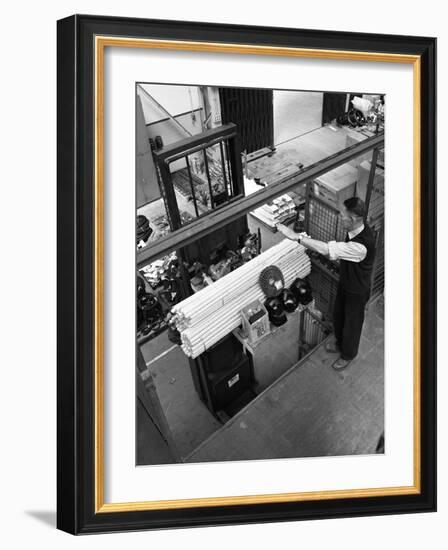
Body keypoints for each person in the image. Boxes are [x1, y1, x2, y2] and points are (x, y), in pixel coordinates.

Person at [277, 197, 376, 370]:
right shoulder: (354, 231)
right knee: (339, 316)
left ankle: (348, 354)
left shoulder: (362, 245)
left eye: (343, 215)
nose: (340, 217)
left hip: (357, 290)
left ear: (353, 219)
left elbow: (326, 249)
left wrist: (296, 237)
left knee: (352, 323)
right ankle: (339, 343)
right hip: (346, 283)